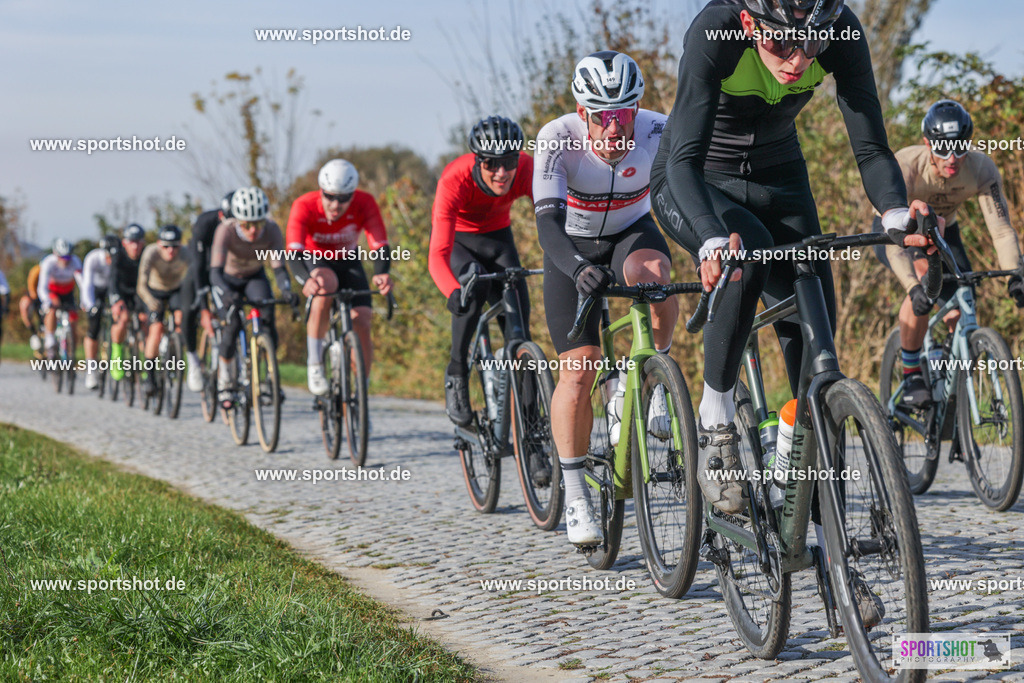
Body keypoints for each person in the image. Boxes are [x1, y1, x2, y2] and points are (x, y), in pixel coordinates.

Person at [649, 0, 936, 624]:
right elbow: (682, 160)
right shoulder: (715, 31)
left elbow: (871, 147)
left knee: (815, 348)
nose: (800, 60)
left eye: (810, 46)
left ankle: (816, 529)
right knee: (745, 259)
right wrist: (705, 238)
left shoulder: (838, 30)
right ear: (752, 27)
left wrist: (893, 215)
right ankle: (717, 421)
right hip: (696, 179)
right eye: (784, 46)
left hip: (781, 173)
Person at [534, 51, 678, 547]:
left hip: (629, 233)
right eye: (603, 117)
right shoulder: (557, 139)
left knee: (657, 275)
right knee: (580, 367)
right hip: (570, 246)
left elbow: (691, 186)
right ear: (582, 113)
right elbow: (547, 223)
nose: (615, 130)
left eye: (625, 115)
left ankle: (649, 381)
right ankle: (574, 493)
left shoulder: (661, 130)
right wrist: (576, 268)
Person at [874, 100, 1024, 406]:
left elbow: (1001, 230)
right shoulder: (908, 166)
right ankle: (912, 371)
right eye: (942, 149)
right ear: (927, 143)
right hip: (901, 229)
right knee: (924, 288)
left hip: (944, 229)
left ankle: (954, 387)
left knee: (959, 308)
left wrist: (1014, 274)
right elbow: (896, 241)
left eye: (959, 147)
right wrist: (914, 288)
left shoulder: (981, 168)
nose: (952, 158)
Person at [429, 116, 534, 427]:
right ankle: (457, 373)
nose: (501, 173)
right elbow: (437, 253)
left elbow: (554, 216)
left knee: (520, 337)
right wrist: (451, 291)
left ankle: (533, 433)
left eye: (509, 161)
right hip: (461, 245)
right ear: (477, 159)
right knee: (470, 286)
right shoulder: (454, 179)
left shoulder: (527, 169)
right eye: (491, 164)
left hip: (499, 242)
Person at [286, 159, 393, 396]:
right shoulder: (304, 205)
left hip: (349, 260)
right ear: (321, 191)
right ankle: (314, 365)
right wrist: (306, 280)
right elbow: (293, 251)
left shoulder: (365, 203)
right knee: (325, 286)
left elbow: (380, 244)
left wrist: (381, 274)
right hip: (317, 259)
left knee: (363, 319)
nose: (336, 204)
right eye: (330, 196)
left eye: (344, 198)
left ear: (353, 195)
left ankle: (361, 390)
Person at [210, 186, 297, 405]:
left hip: (253, 277)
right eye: (246, 225)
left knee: (268, 321)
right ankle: (226, 382)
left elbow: (278, 268)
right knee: (231, 325)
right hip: (227, 278)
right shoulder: (226, 231)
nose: (252, 231)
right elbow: (215, 272)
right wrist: (227, 294)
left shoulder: (272, 230)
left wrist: (286, 290)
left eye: (257, 224)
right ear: (237, 220)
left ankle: (268, 377)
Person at [181, 191, 234, 392]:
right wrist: (204, 308)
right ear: (222, 216)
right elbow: (198, 265)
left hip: (224, 271)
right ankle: (193, 360)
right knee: (188, 311)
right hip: (200, 269)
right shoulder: (205, 223)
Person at [136, 225, 190, 396]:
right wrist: (150, 301)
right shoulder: (150, 253)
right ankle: (150, 376)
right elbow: (141, 285)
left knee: (181, 318)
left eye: (175, 246)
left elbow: (193, 280)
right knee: (156, 328)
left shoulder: (186, 254)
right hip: (154, 291)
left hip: (175, 289)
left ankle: (174, 353)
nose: (170, 250)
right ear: (159, 244)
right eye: (166, 246)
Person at [108, 224, 147, 381]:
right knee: (123, 319)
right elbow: (113, 280)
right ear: (125, 243)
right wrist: (116, 301)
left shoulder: (146, 254)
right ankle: (117, 354)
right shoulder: (118, 255)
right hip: (122, 293)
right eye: (131, 242)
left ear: (143, 242)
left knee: (144, 322)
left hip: (140, 294)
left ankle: (145, 361)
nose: (135, 246)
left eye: (138, 242)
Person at [81, 235, 117, 389]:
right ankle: (91, 370)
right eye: (108, 256)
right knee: (93, 329)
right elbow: (86, 283)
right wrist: (90, 305)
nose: (110, 259)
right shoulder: (93, 258)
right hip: (95, 290)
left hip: (111, 289)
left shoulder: (119, 257)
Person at [37, 239, 83, 359]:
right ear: (55, 254)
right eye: (62, 257)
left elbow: (82, 283)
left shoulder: (75, 261)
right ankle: (50, 341)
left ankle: (71, 351)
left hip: (68, 293)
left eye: (67, 258)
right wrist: (47, 301)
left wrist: (84, 300)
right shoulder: (48, 262)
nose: (65, 261)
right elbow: (42, 287)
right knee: (52, 310)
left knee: (73, 321)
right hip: (53, 292)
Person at [19, 263, 43, 354]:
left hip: (50, 295)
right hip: (35, 296)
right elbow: (32, 288)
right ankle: (34, 334)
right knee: (24, 306)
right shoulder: (36, 271)